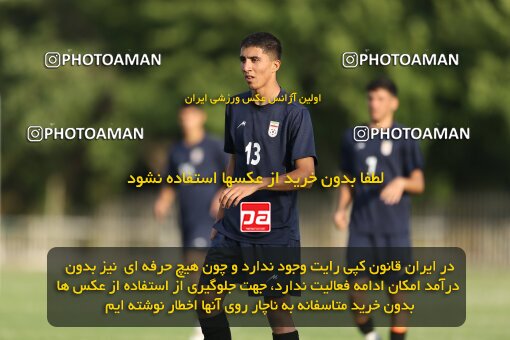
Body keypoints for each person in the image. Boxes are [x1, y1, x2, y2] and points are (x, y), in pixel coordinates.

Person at [196, 32, 317, 340]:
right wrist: (222, 215)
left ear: (275, 65)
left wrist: (258, 184)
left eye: (254, 60)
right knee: (206, 300)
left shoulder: (295, 112)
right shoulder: (235, 107)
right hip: (234, 226)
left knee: (276, 312)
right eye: (243, 60)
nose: (246, 67)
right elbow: (235, 162)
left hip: (274, 228)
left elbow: (305, 174)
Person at [334, 77, 425, 340]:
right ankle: (370, 336)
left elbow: (419, 183)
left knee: (398, 293)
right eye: (371, 98)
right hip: (361, 228)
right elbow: (347, 180)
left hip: (394, 230)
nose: (374, 104)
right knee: (355, 291)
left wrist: (402, 181)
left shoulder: (405, 138)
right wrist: (341, 209)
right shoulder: (352, 137)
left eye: (381, 98)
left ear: (393, 103)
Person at [154, 103, 227, 340]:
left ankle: (204, 326)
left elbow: (233, 175)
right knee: (192, 273)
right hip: (187, 220)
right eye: (183, 116)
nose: (187, 120)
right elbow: (170, 184)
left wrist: (221, 196)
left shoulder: (214, 146)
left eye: (192, 115)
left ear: (201, 117)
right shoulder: (177, 151)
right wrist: (163, 202)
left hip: (210, 221)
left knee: (200, 271)